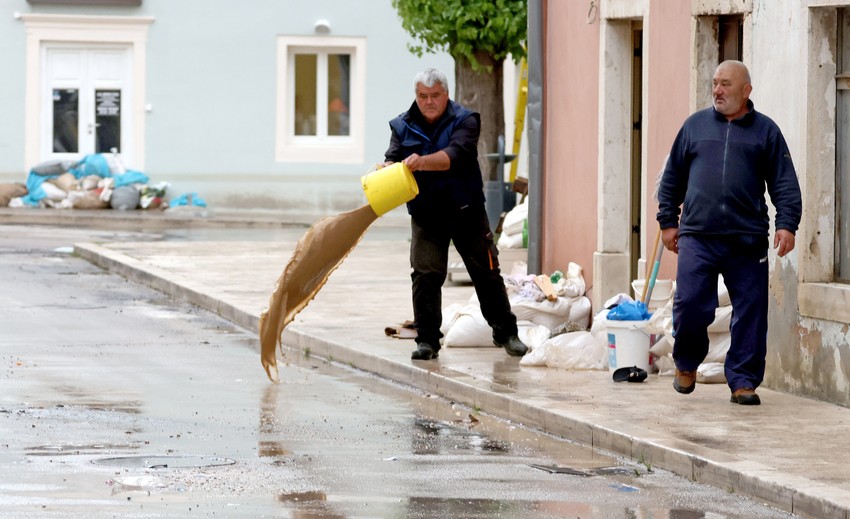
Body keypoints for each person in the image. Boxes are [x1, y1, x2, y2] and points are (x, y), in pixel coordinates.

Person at [656, 60, 802, 406]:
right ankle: (687, 364)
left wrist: (787, 224)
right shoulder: (694, 126)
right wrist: (667, 221)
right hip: (698, 236)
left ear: (746, 91)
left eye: (725, 85)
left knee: (751, 311)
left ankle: (743, 381)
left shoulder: (766, 132)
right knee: (690, 303)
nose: (717, 91)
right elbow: (672, 177)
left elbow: (784, 182)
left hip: (746, 239)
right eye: (714, 84)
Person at [381, 68, 527, 361]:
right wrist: (386, 169)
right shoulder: (401, 125)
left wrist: (421, 162)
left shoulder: (466, 120)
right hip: (425, 214)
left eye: (435, 95)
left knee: (486, 274)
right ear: (416, 96)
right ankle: (427, 342)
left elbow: (454, 156)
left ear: (446, 94)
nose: (429, 102)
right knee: (425, 276)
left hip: (466, 211)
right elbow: (392, 158)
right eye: (423, 96)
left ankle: (506, 333)